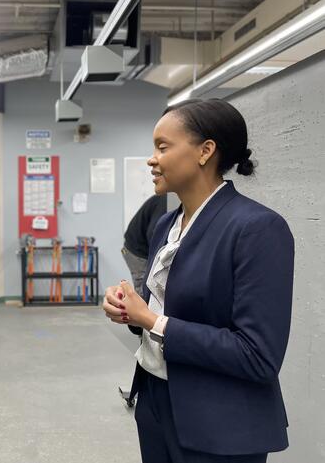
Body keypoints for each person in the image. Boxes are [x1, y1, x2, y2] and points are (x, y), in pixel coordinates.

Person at [103, 98, 294, 463]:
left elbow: (258, 356)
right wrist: (130, 310)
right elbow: (160, 309)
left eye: (163, 147)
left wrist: (151, 320)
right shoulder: (166, 224)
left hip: (220, 423)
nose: (151, 159)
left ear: (206, 151)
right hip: (156, 401)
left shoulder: (257, 228)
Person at [122, 193, 167, 297]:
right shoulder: (165, 201)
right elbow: (153, 234)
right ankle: (141, 310)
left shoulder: (170, 200)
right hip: (136, 251)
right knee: (144, 288)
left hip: (140, 246)